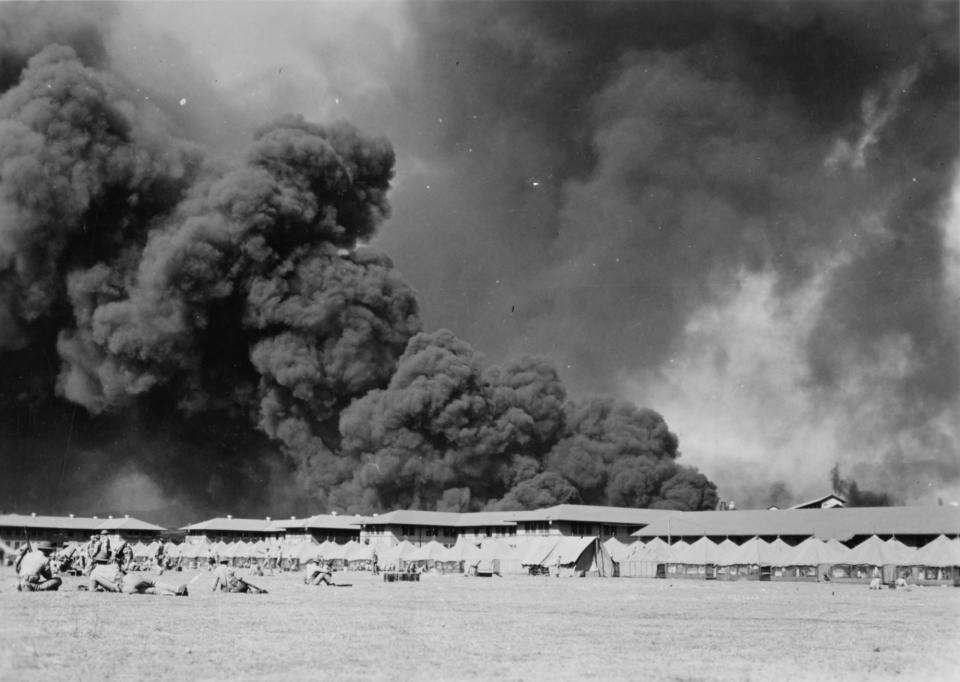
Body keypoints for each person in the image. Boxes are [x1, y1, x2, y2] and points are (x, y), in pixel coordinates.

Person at [121, 567, 188, 596]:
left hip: (125, 589)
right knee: (154, 583)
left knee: (152, 590)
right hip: (128, 580)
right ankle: (177, 590)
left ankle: (173, 594)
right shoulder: (115, 568)